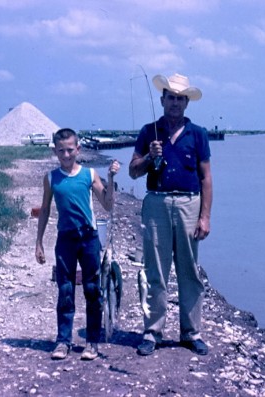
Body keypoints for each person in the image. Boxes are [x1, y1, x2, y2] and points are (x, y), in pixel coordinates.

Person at [129, 73, 213, 356]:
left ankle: (191, 333)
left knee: (189, 270)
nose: (175, 103)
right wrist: (150, 157)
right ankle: (152, 332)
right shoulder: (148, 131)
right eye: (170, 98)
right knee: (156, 270)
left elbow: (206, 178)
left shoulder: (198, 134)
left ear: (186, 103)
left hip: (190, 204)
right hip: (157, 204)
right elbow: (133, 171)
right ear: (162, 100)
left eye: (180, 99)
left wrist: (205, 216)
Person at [35, 128, 120, 361]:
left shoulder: (90, 174)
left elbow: (108, 204)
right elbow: (44, 210)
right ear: (55, 151)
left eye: (70, 150)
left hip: (89, 238)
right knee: (65, 290)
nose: (66, 155)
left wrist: (111, 179)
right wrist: (39, 242)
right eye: (61, 150)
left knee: (93, 289)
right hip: (65, 239)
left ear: (78, 149)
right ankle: (63, 341)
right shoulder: (51, 178)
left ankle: (92, 342)